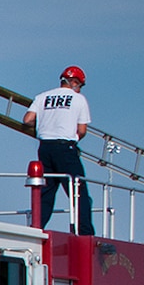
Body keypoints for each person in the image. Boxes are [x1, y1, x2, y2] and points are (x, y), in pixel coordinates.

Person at [22, 66, 95, 234]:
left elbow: (27, 120)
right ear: (75, 82)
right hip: (65, 148)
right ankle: (85, 233)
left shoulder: (42, 97)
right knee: (78, 192)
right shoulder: (78, 99)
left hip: (44, 148)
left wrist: (44, 123)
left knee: (45, 193)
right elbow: (82, 130)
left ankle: (36, 228)